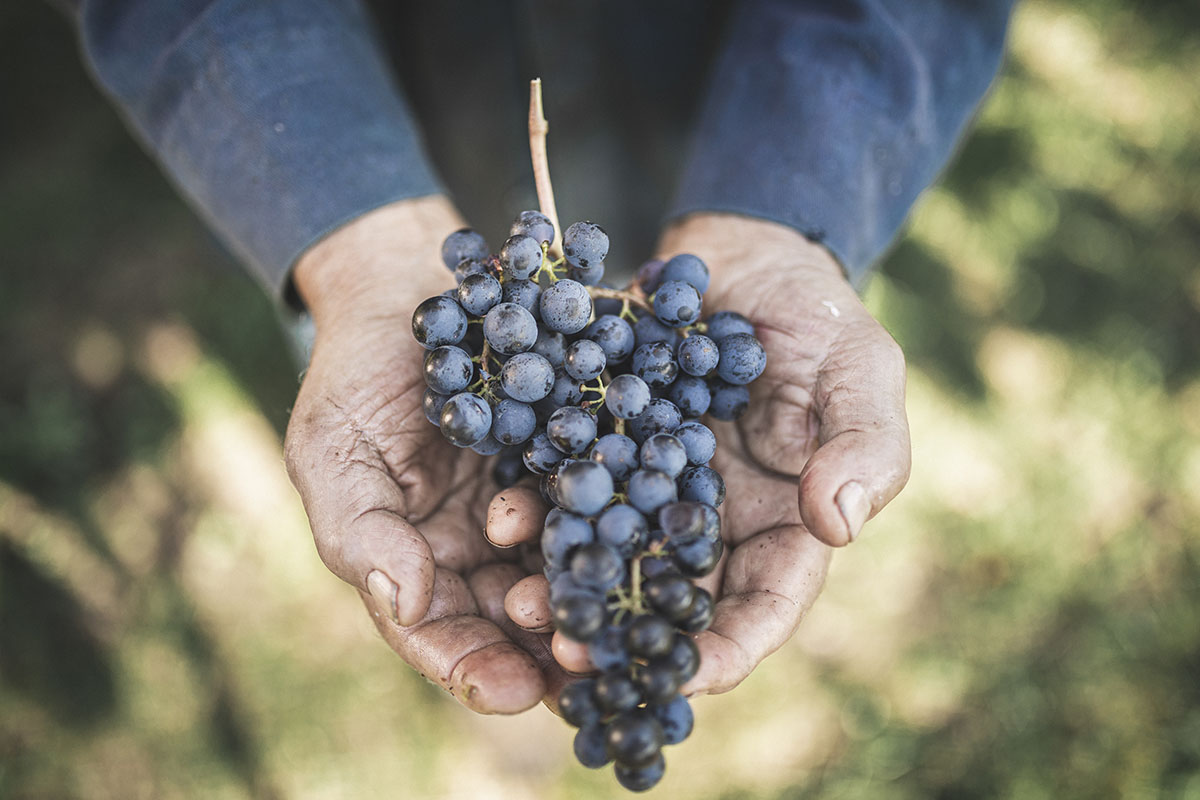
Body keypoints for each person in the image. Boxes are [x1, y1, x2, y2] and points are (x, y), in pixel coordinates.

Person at [73, 0, 1015, 713]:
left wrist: (790, 202)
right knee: (444, 425)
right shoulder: (493, 325)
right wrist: (345, 234)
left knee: (639, 359)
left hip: (728, 109)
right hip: (392, 141)